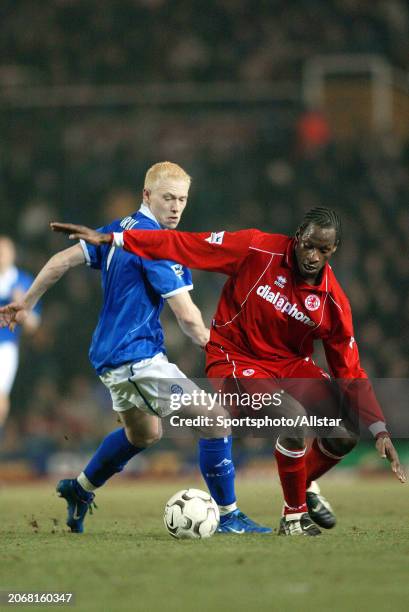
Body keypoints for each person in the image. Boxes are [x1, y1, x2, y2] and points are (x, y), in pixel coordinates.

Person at [49, 206, 406, 536]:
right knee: (293, 420)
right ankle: (293, 515)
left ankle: (302, 483)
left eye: (323, 251)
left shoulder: (333, 301)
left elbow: (350, 368)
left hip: (290, 366)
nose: (313, 256)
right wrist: (116, 238)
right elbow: (187, 245)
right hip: (235, 357)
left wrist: (378, 428)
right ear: (298, 236)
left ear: (334, 250)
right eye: (309, 246)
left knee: (344, 431)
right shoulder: (256, 248)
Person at [0, 162, 270, 535]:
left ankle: (79, 489)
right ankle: (229, 517)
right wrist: (225, 351)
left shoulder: (119, 230)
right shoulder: (159, 246)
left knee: (143, 435)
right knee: (215, 421)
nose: (176, 207)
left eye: (182, 199)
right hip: (137, 357)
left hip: (111, 356)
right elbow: (189, 320)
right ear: (147, 195)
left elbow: (61, 261)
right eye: (167, 198)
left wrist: (27, 303)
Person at [0, 237, 40, 438]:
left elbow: (34, 324)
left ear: (13, 254)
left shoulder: (23, 282)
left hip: (4, 346)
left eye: (5, 252)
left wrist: (21, 308)